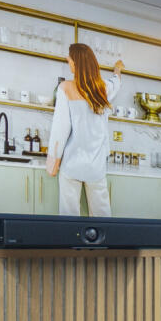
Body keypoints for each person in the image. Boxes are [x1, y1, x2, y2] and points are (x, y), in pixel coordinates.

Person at [47, 43, 124, 217]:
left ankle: (70, 244)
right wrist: (118, 69)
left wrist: (53, 163)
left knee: (69, 217)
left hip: (72, 164)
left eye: (70, 59)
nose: (68, 62)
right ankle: (100, 244)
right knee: (102, 215)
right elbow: (116, 82)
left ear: (76, 63)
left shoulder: (65, 88)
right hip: (96, 165)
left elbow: (60, 129)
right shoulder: (102, 88)